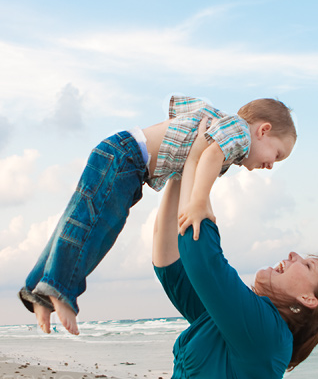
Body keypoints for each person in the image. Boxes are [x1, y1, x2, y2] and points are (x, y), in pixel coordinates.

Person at [19, 95, 297, 335]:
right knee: (93, 227)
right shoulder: (238, 132)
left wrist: (202, 203)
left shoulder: (225, 129)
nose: (272, 165)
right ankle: (61, 291)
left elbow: (196, 152)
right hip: (126, 158)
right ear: (263, 130)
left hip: (127, 161)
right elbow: (209, 157)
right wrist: (199, 203)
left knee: (75, 222)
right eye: (278, 154)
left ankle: (38, 294)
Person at [149, 133, 318, 379]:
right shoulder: (235, 324)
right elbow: (170, 266)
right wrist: (179, 172)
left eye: (306, 264)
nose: (293, 254)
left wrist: (196, 164)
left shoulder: (270, 336)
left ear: (308, 299)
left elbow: (203, 260)